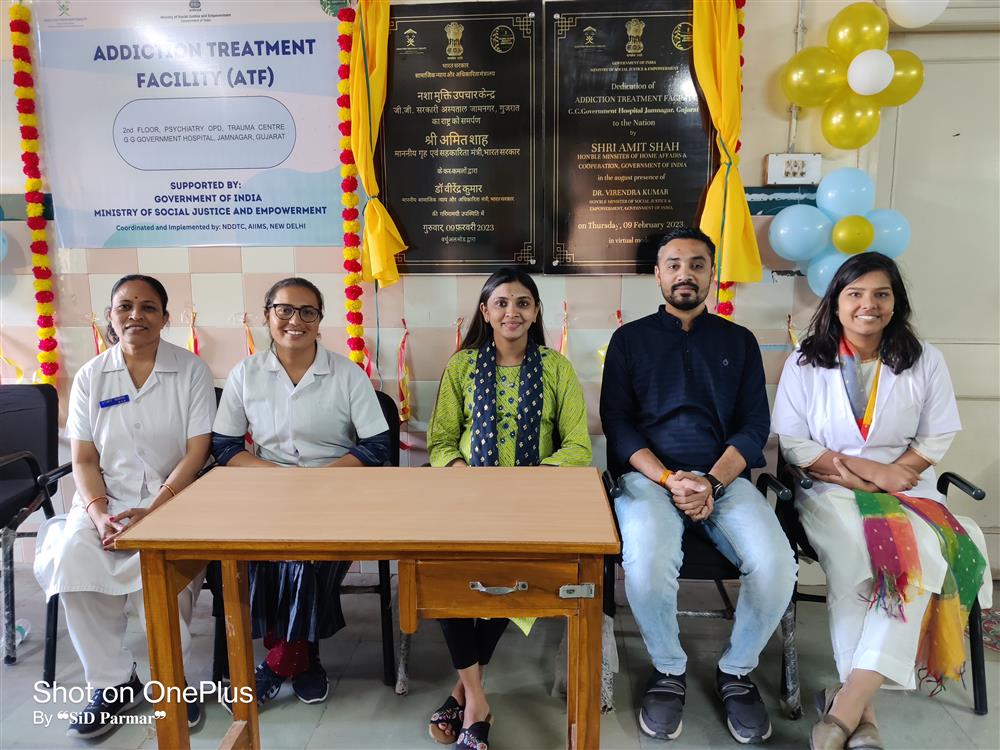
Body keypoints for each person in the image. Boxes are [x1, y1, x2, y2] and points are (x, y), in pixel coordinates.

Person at [771, 252, 991, 750]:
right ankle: (861, 712)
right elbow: (795, 444)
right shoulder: (805, 361)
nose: (867, 304)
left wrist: (896, 475)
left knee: (921, 560)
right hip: (831, 488)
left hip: (907, 489)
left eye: (881, 294)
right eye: (855, 293)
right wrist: (870, 475)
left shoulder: (925, 359)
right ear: (836, 302)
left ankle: (846, 705)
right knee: (857, 557)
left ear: (896, 303)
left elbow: (935, 437)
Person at [600, 227, 796, 744]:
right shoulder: (629, 340)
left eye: (697, 264)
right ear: (657, 274)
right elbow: (618, 424)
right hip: (649, 480)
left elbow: (754, 425)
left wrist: (709, 481)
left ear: (712, 273)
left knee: (777, 564)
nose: (685, 274)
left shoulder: (739, 341)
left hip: (723, 479)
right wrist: (670, 479)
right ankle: (668, 669)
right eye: (674, 264)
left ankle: (736, 670)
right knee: (645, 562)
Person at [33, 274, 216, 738]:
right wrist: (98, 515)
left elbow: (196, 452)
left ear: (165, 318)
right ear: (111, 317)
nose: (136, 315)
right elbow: (83, 459)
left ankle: (173, 683)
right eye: (125, 307)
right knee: (73, 559)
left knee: (163, 574)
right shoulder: (91, 376)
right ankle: (112, 684)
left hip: (173, 500)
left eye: (148, 307)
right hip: (106, 501)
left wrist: (154, 510)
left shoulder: (190, 370)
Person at [425, 267, 592, 750]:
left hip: (533, 502)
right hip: (467, 498)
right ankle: (477, 701)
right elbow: (440, 441)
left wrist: (527, 482)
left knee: (507, 579)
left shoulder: (556, 368)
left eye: (522, 302)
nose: (511, 312)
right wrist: (465, 476)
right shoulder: (461, 367)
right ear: (485, 311)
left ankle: (463, 693)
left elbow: (578, 446)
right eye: (501, 302)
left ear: (535, 312)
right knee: (449, 577)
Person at [211, 277, 389, 709]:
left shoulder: (346, 374)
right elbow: (225, 446)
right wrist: (275, 476)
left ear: (320, 320)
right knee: (269, 553)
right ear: (267, 315)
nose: (296, 320)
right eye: (285, 310)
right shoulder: (246, 374)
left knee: (308, 555)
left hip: (336, 488)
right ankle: (304, 659)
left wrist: (321, 479)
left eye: (308, 311)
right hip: (266, 487)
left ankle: (279, 662)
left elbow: (377, 445)